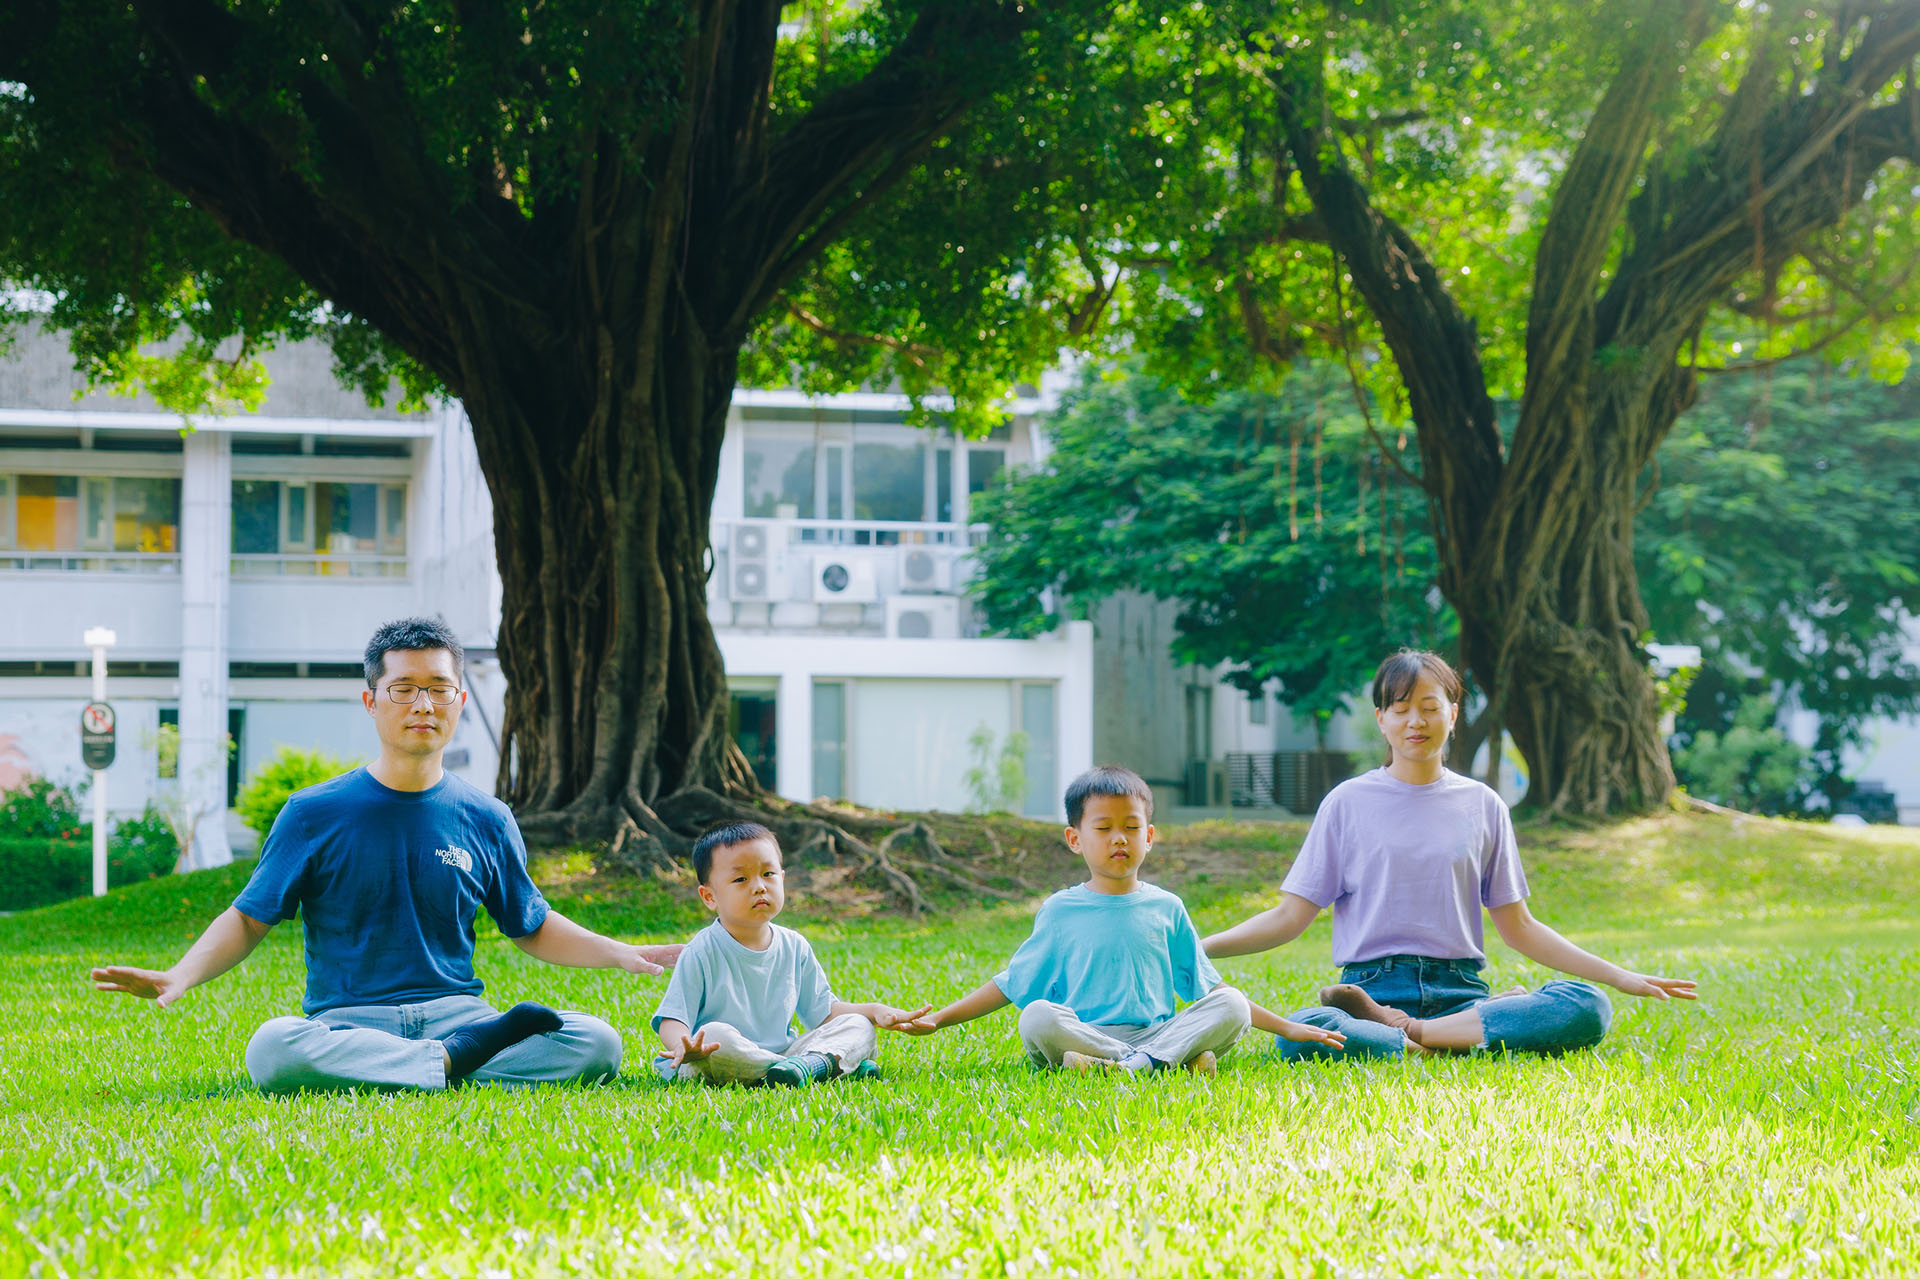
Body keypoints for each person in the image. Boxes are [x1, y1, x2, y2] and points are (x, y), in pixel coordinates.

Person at [91, 616, 682, 1092]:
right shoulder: (313, 812)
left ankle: (435, 1062)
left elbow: (531, 926)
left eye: (439, 689)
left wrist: (619, 952)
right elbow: (249, 917)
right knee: (271, 1048)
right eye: (404, 690)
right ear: (372, 701)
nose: (423, 705)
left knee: (596, 1042)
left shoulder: (487, 817)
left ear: (458, 701)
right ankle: (450, 1067)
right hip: (350, 1022)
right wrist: (180, 975)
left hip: (461, 1016)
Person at [1205, 649, 1697, 1059]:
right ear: (1381, 720)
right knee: (1306, 1030)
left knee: (1587, 1006)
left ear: (1453, 714)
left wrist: (1619, 976)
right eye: (1399, 708)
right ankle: (1434, 1036)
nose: (1415, 721)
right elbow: (1291, 916)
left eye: (1429, 706)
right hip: (1370, 989)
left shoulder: (1483, 805)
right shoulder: (1346, 803)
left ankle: (1408, 1037)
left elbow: (1519, 927)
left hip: (1461, 994)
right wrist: (1197, 946)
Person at [899, 765, 1343, 1071]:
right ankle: (1164, 1065)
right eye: (1103, 828)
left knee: (1230, 1006)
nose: (1119, 839)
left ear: (1149, 837)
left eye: (1131, 828)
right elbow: (1010, 985)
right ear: (1075, 839)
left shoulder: (1167, 907)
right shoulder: (1060, 911)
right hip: (1085, 1034)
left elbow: (1213, 990)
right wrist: (939, 1019)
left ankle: (1131, 1066)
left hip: (1157, 1033)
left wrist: (1287, 1027)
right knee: (1035, 1016)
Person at [651, 822, 927, 1086]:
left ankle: (804, 1067)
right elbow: (673, 1018)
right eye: (740, 879)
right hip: (709, 1059)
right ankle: (825, 1066)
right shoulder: (702, 950)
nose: (759, 886)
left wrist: (875, 1011)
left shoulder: (794, 946)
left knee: (857, 1025)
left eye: (768, 874)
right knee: (715, 1035)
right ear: (709, 897)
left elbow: (824, 1013)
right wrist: (683, 1045)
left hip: (787, 1055)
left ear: (782, 879)